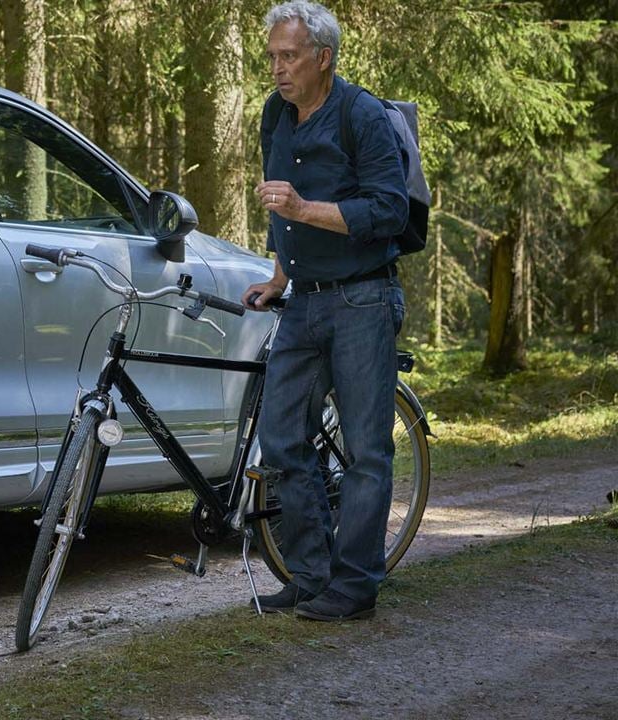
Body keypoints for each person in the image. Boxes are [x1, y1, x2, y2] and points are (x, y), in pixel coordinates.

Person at [241, 1, 408, 621]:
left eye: (289, 57)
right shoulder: (274, 114)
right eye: (273, 57)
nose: (278, 69)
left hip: (364, 296)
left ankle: (355, 584)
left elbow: (387, 212)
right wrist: (278, 273)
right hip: (303, 301)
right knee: (282, 440)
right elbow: (277, 197)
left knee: (366, 449)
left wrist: (306, 209)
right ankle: (310, 576)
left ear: (323, 57)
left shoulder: (362, 116)